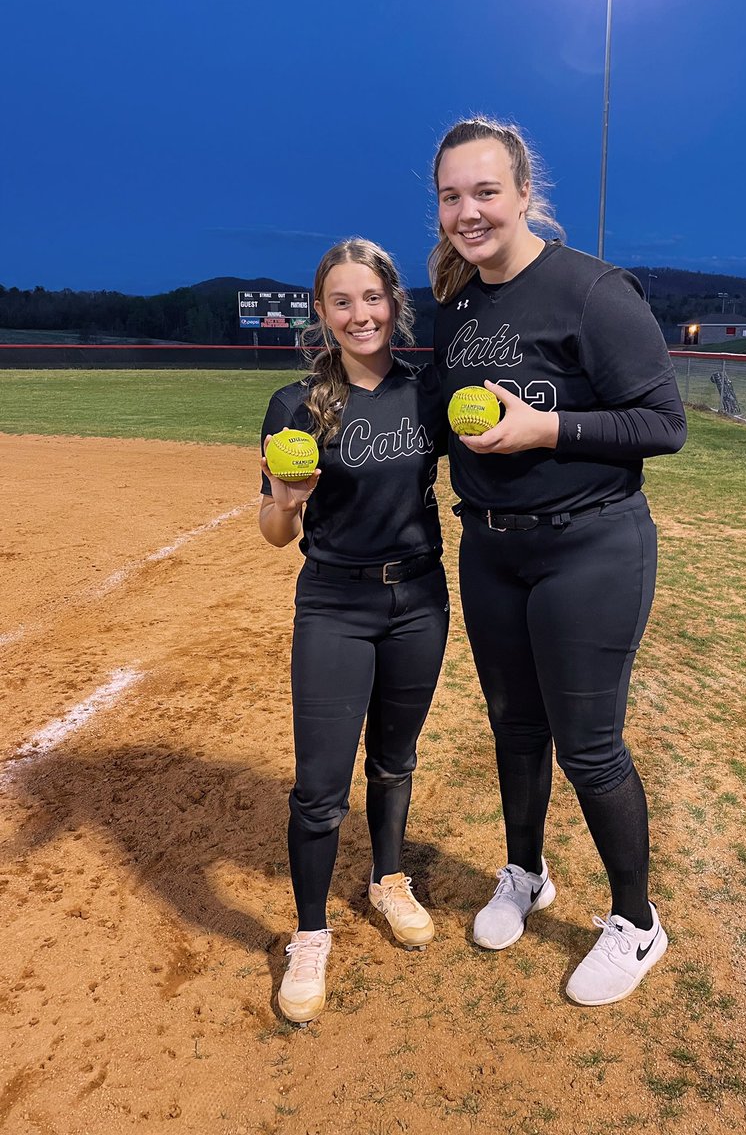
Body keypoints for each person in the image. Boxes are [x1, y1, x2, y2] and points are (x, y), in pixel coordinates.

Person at [430, 117, 686, 1006]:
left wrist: (549, 427)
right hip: (493, 551)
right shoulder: (458, 307)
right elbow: (435, 418)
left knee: (590, 746)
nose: (469, 211)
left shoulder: (591, 291)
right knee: (514, 726)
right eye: (452, 196)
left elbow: (664, 424)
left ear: (525, 194)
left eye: (486, 191)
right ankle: (526, 873)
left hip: (591, 547)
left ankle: (637, 923)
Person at [259, 238, 449, 1026]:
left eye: (372, 298)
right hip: (334, 604)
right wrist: (287, 497)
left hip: (421, 599)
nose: (360, 314)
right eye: (342, 301)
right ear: (323, 312)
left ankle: (387, 877)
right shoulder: (294, 406)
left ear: (393, 302)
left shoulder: (430, 391)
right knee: (319, 786)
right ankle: (310, 933)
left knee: (396, 759)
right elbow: (273, 532)